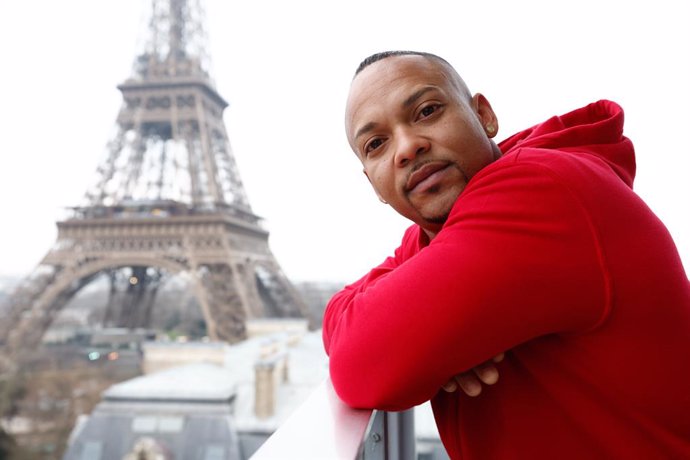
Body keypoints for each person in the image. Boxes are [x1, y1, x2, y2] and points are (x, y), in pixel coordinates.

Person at [322, 50, 690, 459]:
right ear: (373, 183)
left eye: (427, 111)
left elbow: (360, 364)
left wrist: (420, 344)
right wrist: (419, 339)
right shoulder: (440, 234)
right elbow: (340, 313)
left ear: (484, 116)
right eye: (376, 143)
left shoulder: (540, 193)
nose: (407, 148)